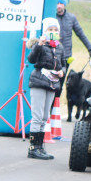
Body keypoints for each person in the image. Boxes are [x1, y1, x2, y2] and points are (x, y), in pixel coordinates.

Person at [23, 18, 65, 160]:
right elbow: (31, 59)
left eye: (55, 30)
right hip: (39, 81)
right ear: (45, 31)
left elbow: (63, 64)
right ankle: (33, 148)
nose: (53, 32)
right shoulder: (40, 45)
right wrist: (39, 45)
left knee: (45, 116)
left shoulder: (59, 47)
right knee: (37, 116)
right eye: (50, 30)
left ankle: (40, 147)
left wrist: (62, 72)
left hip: (52, 83)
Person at [56, 0, 91, 64]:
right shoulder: (51, 17)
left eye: (61, 3)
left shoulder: (71, 18)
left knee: (63, 74)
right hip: (54, 55)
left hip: (66, 55)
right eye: (57, 3)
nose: (59, 6)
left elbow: (80, 34)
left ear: (64, 4)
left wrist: (90, 48)